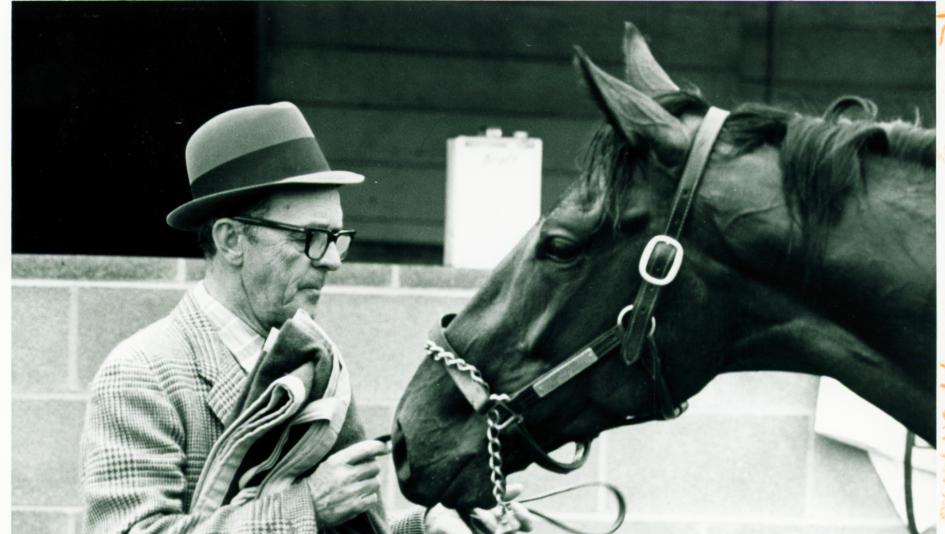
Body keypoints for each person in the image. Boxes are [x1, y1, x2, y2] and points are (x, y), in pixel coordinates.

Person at [79, 102, 532, 533]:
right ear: (231, 240)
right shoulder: (141, 374)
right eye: (311, 237)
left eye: (337, 238)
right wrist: (309, 505)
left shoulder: (315, 363)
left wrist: (429, 526)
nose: (332, 260)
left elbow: (351, 531)